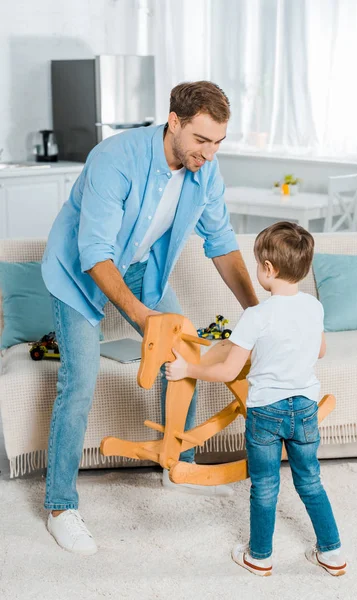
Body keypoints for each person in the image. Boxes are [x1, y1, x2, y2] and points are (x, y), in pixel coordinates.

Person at [41, 81, 259, 555]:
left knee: (184, 353)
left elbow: (221, 244)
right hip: (79, 269)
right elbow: (95, 253)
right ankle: (60, 506)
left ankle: (178, 462)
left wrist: (262, 314)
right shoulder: (115, 158)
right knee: (79, 380)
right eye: (201, 140)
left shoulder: (206, 170)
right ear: (174, 122)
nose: (209, 152)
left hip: (140, 269)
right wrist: (144, 320)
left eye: (218, 142)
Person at [166, 221, 347, 577]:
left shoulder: (255, 317)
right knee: (310, 481)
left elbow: (226, 372)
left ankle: (260, 556)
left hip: (266, 412)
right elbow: (321, 351)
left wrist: (188, 368)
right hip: (306, 408)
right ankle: (333, 552)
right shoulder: (313, 307)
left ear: (267, 269)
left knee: (264, 485)